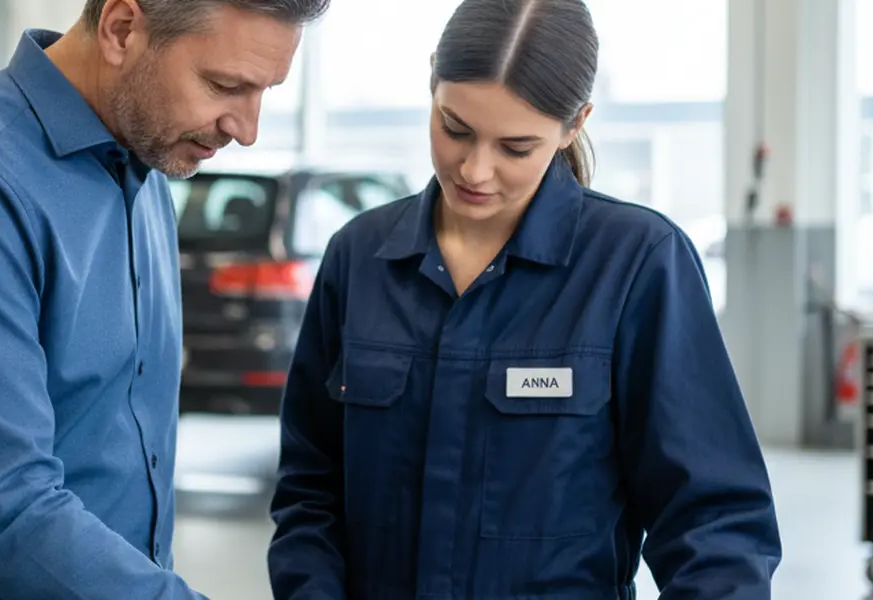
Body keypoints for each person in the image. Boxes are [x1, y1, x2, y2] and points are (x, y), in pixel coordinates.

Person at [267, 0, 783, 597]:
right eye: (454, 129)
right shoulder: (358, 259)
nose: (476, 171)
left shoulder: (637, 264)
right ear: (433, 79)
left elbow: (716, 523)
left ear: (575, 123)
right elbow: (311, 490)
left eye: (515, 148)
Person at [0, 0, 328, 597]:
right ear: (121, 29)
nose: (246, 129)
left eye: (265, 91)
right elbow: (8, 510)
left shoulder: (145, 170)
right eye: (224, 85)